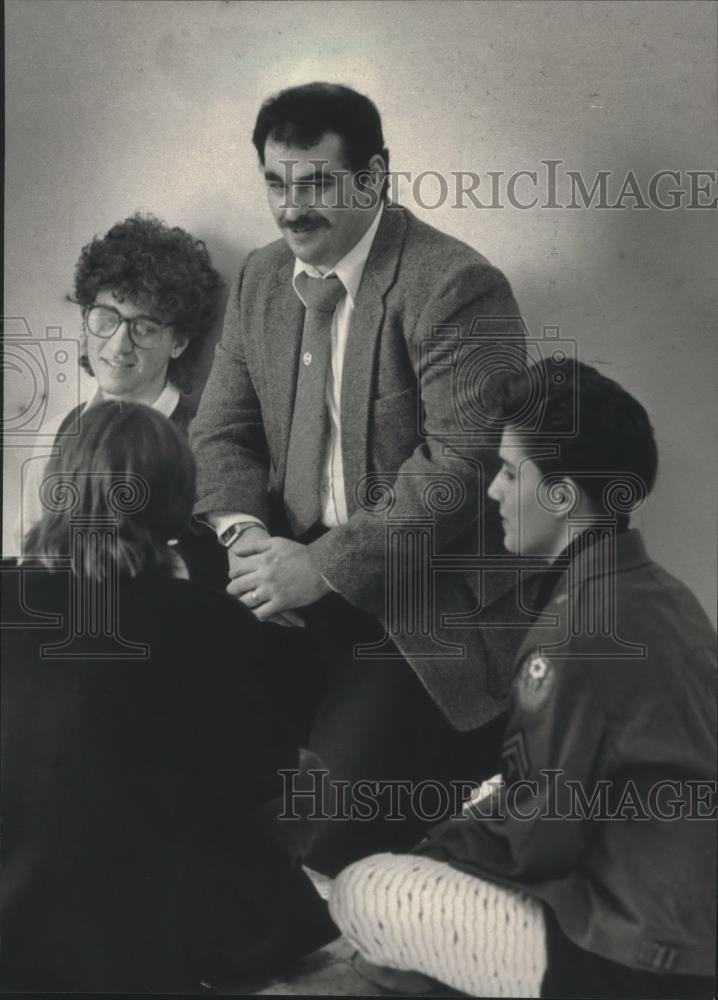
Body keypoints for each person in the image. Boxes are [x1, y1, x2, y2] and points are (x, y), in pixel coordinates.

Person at [191, 82, 531, 875]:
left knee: (319, 841)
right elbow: (223, 430)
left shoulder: (456, 285)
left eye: (316, 183)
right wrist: (245, 540)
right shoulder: (260, 278)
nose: (290, 208)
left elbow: (459, 469)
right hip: (287, 587)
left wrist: (321, 568)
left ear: (374, 177)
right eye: (277, 183)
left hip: (416, 612)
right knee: (184, 770)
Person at [329, 359, 717, 998]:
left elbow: (539, 837)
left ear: (562, 496)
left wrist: (437, 848)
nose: (493, 492)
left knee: (363, 887)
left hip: (636, 953)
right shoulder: (662, 593)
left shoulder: (573, 626)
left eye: (510, 473)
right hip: (687, 924)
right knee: (478, 806)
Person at [0, 401, 336, 994]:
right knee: (302, 777)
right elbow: (257, 781)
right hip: (139, 944)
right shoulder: (211, 622)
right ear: (177, 502)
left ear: (57, 486)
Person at [16, 212, 226, 588]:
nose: (118, 345)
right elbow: (29, 563)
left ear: (179, 341)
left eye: (143, 327)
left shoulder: (208, 442)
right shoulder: (54, 434)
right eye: (106, 318)